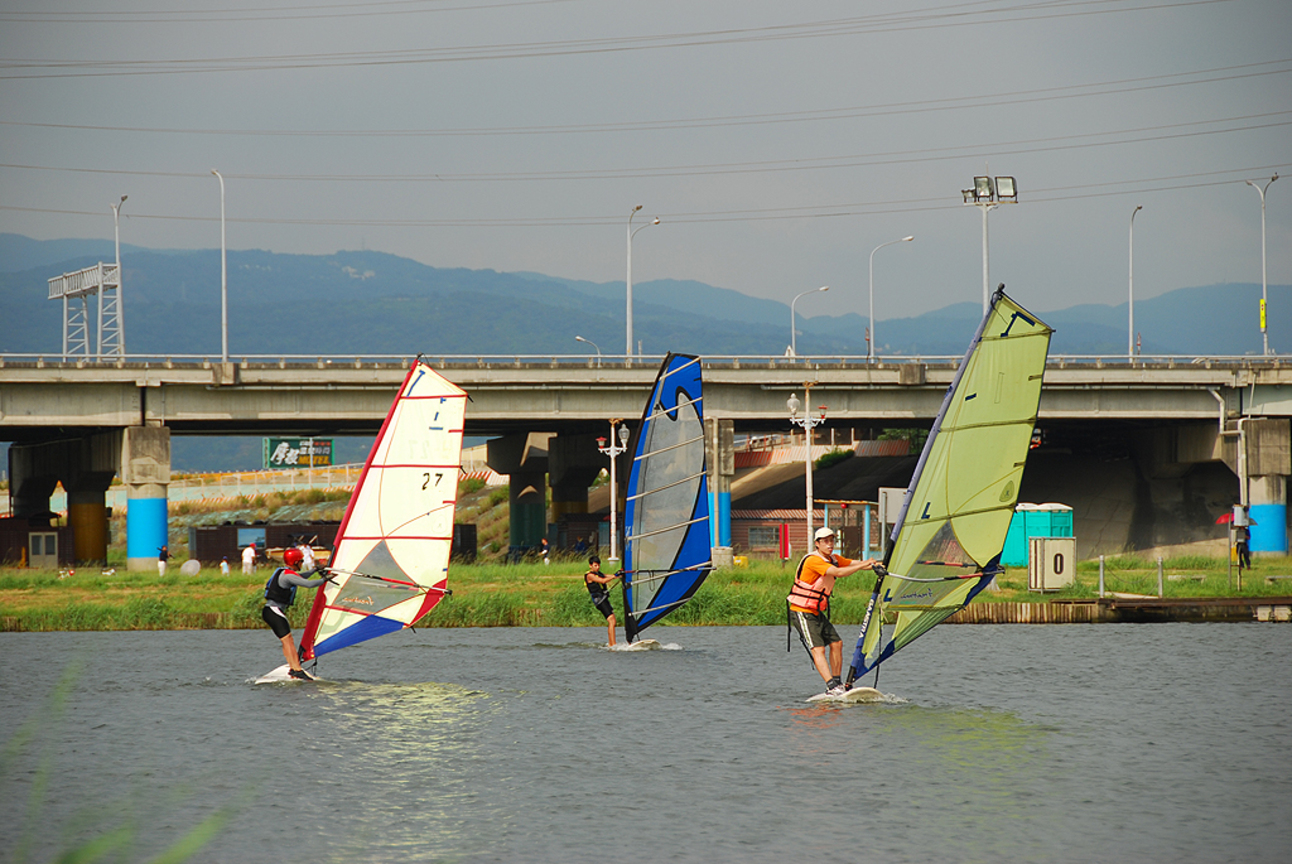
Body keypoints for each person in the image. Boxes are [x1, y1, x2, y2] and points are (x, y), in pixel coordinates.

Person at [787, 526, 881, 696]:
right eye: (826, 541)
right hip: (801, 611)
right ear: (817, 544)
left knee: (837, 644)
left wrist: (880, 565)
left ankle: (839, 684)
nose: (830, 544)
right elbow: (838, 572)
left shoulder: (834, 558)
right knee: (818, 649)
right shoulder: (813, 560)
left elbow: (856, 564)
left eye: (832, 541)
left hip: (816, 611)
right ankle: (831, 686)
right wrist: (864, 564)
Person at [262, 546, 330, 681]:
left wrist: (315, 570)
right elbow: (308, 584)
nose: (302, 563)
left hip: (269, 611)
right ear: (295, 562)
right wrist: (325, 579)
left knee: (286, 641)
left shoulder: (284, 572)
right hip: (274, 611)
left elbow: (300, 577)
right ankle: (296, 669)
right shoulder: (288, 575)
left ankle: (294, 666)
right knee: (288, 641)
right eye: (301, 561)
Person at [583, 554, 620, 647]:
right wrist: (613, 576)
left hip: (603, 599)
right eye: (595, 565)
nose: (597, 567)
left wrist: (618, 575)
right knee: (611, 621)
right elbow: (603, 581)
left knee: (613, 620)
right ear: (590, 566)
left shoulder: (599, 573)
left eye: (598, 565)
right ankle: (613, 644)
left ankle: (611, 644)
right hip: (599, 600)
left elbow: (607, 576)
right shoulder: (589, 575)